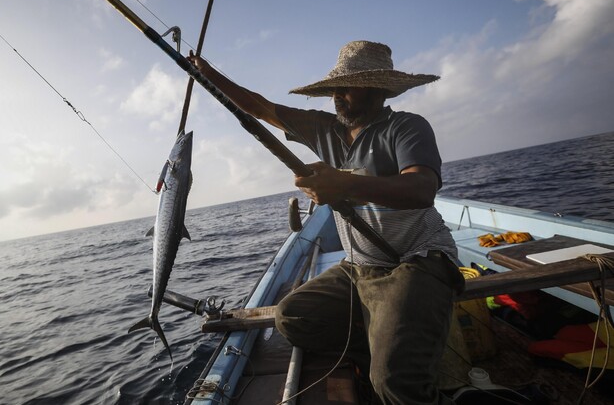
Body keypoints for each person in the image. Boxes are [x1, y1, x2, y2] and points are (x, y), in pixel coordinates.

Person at [190, 40, 464, 404]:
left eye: (347, 87)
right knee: (292, 318)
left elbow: (421, 188)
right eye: (334, 88)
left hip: (415, 260)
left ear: (378, 89)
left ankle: (394, 361)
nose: (337, 96)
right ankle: (380, 344)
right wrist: (207, 74)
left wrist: (345, 183)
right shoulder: (323, 129)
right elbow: (259, 107)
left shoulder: (407, 127)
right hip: (359, 267)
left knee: (395, 385)